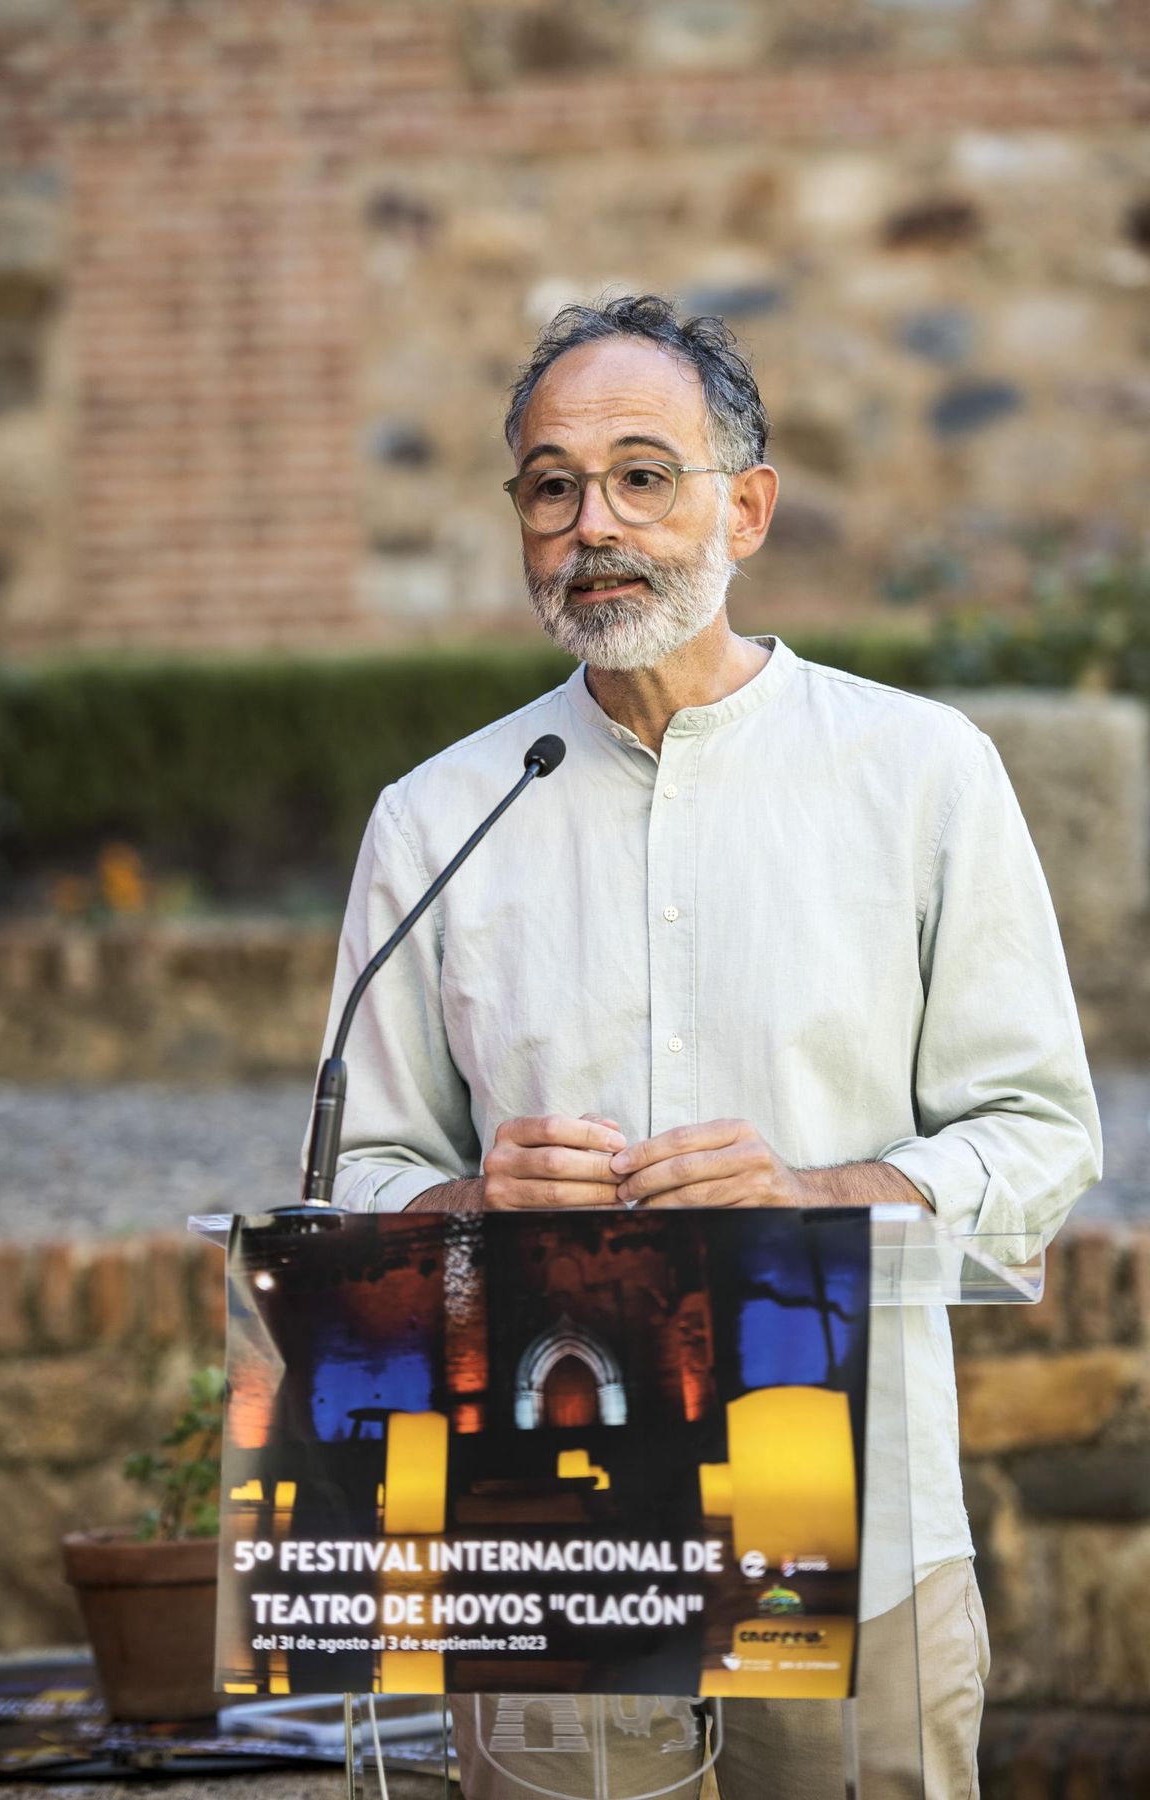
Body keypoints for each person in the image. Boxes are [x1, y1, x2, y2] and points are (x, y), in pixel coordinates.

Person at [311, 294, 1102, 1798]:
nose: (592, 522)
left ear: (745, 507)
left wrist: (814, 1198)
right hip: (549, 1548)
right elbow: (358, 1177)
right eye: (552, 486)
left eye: (641, 474)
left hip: (850, 1532)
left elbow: (1043, 1140)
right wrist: (458, 1206)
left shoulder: (922, 774)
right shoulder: (438, 815)